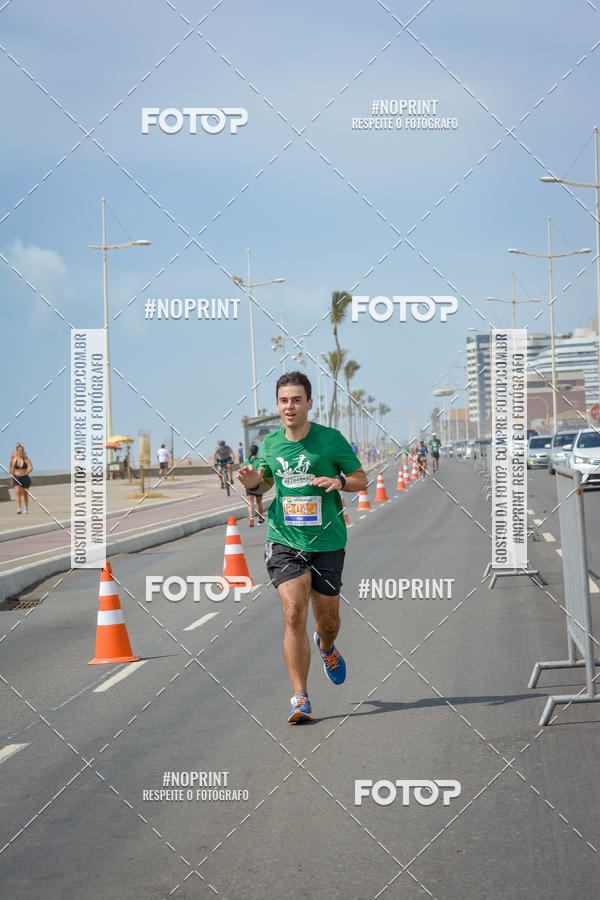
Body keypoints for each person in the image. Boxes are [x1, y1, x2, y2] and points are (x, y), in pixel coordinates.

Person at [237, 371, 367, 724]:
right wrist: (253, 481)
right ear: (277, 406)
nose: (289, 406)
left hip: (327, 540)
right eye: (283, 401)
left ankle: (327, 647)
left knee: (328, 621)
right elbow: (264, 482)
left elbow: (361, 479)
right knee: (293, 612)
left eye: (296, 400)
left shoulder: (330, 440)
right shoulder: (271, 444)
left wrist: (340, 481)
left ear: (309, 403)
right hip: (285, 538)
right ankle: (300, 698)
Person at [245, 443, 266, 527]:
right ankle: (260, 519)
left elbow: (243, 471)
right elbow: (263, 472)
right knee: (259, 502)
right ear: (257, 452)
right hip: (258, 484)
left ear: (250, 451)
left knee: (250, 502)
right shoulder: (260, 461)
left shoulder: (247, 461)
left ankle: (251, 518)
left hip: (249, 484)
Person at [10, 443, 33, 514]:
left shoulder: (26, 459)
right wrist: (11, 480)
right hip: (16, 477)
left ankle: (26, 508)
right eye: (19, 450)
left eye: (22, 450)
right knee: (17, 492)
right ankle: (19, 508)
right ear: (17, 451)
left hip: (25, 478)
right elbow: (12, 470)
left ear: (23, 451)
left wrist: (27, 471)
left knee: (25, 494)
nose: (21, 452)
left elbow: (31, 467)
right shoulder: (14, 459)